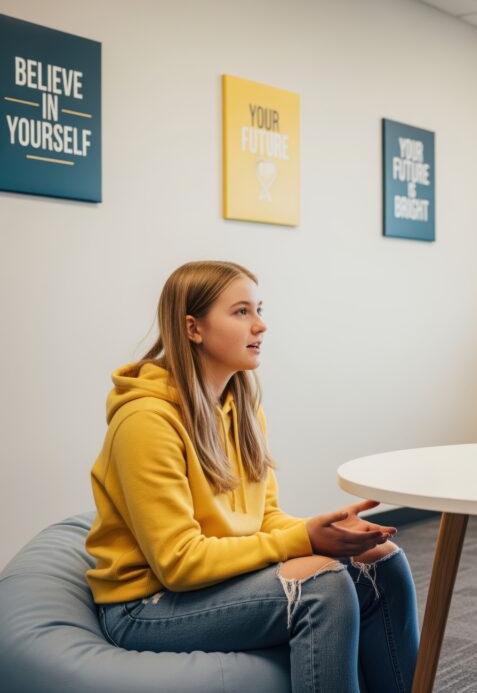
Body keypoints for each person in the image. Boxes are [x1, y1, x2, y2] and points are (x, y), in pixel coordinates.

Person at [85, 261, 419, 693]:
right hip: (145, 606)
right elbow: (178, 564)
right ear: (193, 328)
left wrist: (321, 530)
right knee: (324, 587)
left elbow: (265, 519)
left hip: (214, 582)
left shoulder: (242, 409)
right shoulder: (145, 422)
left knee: (383, 560)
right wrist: (304, 541)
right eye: (242, 312)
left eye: (259, 309)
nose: (260, 326)